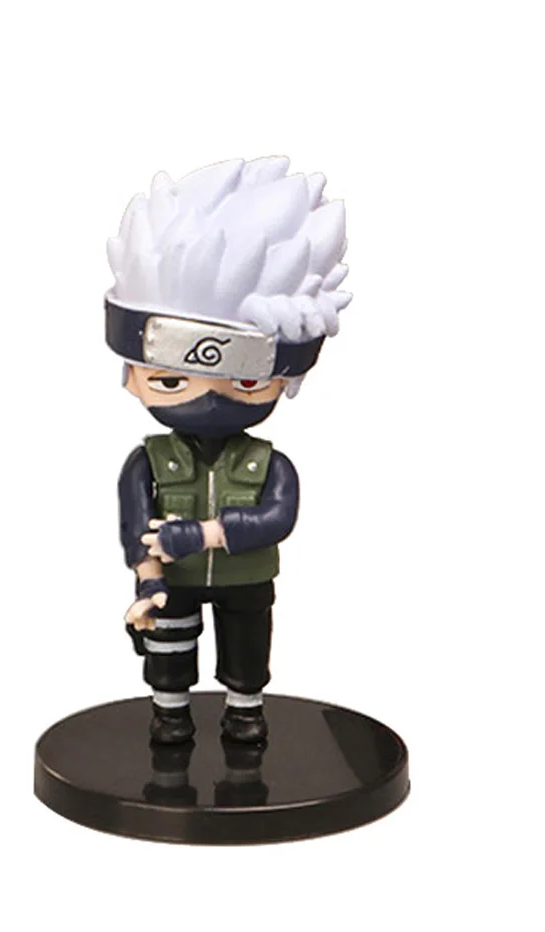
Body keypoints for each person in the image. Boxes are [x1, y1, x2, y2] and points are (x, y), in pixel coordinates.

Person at [106, 157, 352, 744]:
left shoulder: (268, 464)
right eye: (172, 380)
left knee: (247, 646)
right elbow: (135, 526)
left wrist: (206, 534)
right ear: (134, 376)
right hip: (176, 581)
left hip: (244, 578)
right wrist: (148, 582)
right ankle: (170, 712)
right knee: (170, 647)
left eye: (243, 380)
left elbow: (278, 517)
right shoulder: (149, 462)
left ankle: (245, 710)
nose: (207, 398)